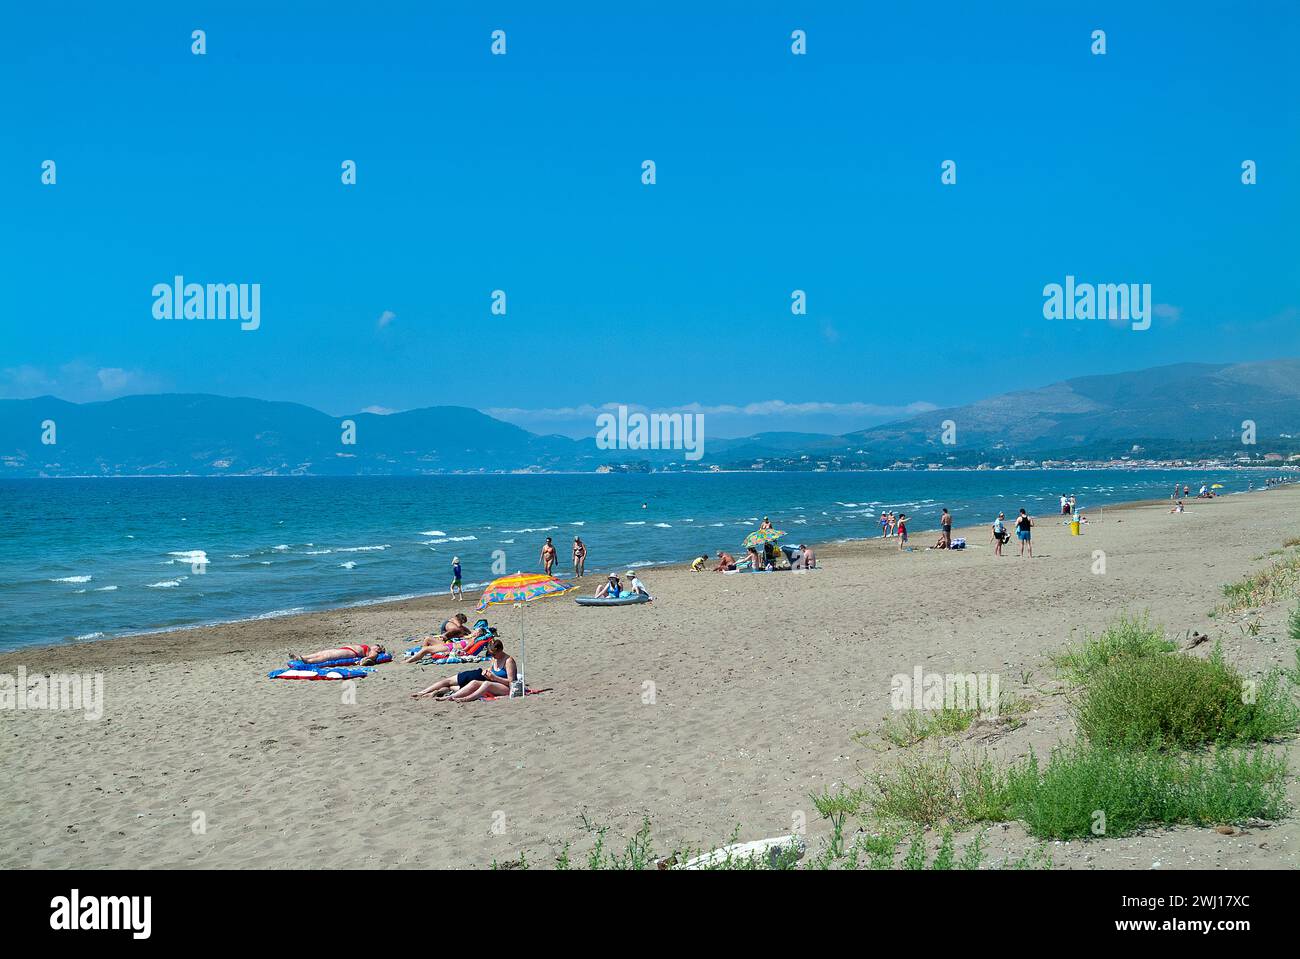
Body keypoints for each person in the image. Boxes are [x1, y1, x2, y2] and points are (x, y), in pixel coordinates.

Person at [411, 639, 517, 702]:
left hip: (506, 687)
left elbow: (512, 682)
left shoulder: (508, 661)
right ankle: (425, 692)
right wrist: (487, 672)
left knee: (486, 684)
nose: (492, 656)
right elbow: (491, 669)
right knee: (474, 682)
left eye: (494, 654)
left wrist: (495, 678)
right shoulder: (495, 658)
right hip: (494, 682)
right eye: (491, 654)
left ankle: (459, 698)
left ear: (501, 650)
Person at [404, 613, 478, 663]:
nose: (462, 624)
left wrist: (470, 633)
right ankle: (425, 653)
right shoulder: (456, 623)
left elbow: (465, 649)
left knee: (427, 640)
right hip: (448, 643)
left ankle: (424, 653)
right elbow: (459, 627)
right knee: (427, 639)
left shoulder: (471, 640)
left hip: (450, 645)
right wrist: (470, 632)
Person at [290, 643, 386, 667]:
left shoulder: (374, 652)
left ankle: (307, 661)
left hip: (351, 653)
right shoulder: (370, 648)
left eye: (377, 645)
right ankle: (300, 657)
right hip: (347, 649)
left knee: (327, 656)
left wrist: (365, 659)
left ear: (378, 649)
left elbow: (372, 657)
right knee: (322, 653)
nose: (375, 645)